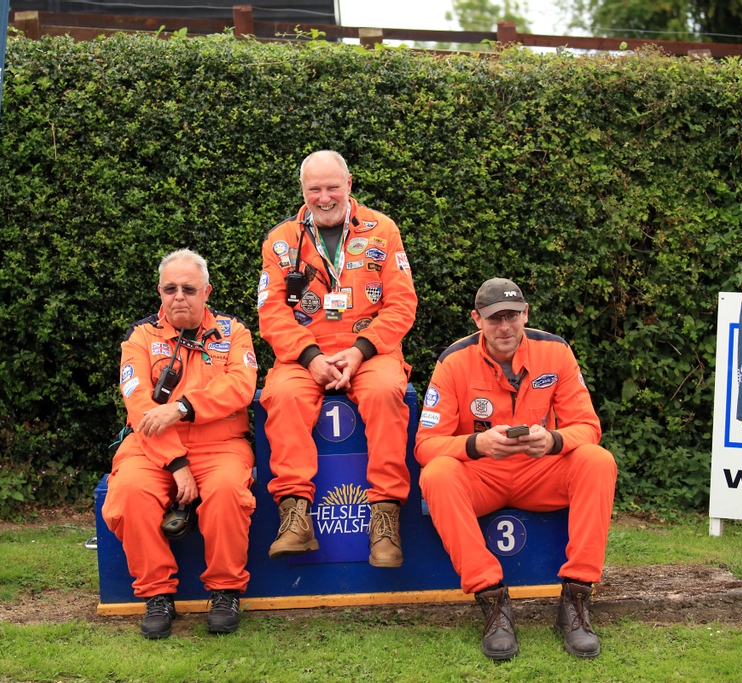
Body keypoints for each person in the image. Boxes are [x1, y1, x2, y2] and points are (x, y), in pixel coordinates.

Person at [415, 278, 617, 661]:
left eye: (512, 316)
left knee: (598, 460)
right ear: (477, 320)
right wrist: (477, 444)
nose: (504, 327)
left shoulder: (555, 352)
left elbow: (588, 427)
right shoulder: (453, 361)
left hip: (540, 471)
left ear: (526, 314)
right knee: (438, 474)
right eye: (494, 319)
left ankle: (576, 598)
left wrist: (553, 441)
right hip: (483, 475)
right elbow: (426, 445)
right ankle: (492, 601)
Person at [257, 150, 417, 567]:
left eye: (332, 187)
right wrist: (310, 356)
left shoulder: (384, 229)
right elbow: (271, 314)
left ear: (349, 184)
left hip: (370, 349)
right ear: (303, 191)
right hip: (302, 353)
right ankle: (295, 519)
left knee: (385, 392)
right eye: (315, 190)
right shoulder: (280, 240)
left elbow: (402, 305)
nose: (324, 197)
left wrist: (360, 352)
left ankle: (384, 522)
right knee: (283, 398)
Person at [102, 249, 258, 639]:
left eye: (189, 289)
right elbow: (137, 403)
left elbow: (241, 386)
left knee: (226, 492)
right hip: (152, 446)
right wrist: (176, 463)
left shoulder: (234, 331)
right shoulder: (139, 336)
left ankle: (225, 591)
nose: (179, 297)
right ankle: (157, 595)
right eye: (170, 288)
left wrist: (183, 408)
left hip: (220, 443)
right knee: (130, 492)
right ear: (160, 291)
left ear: (206, 291)